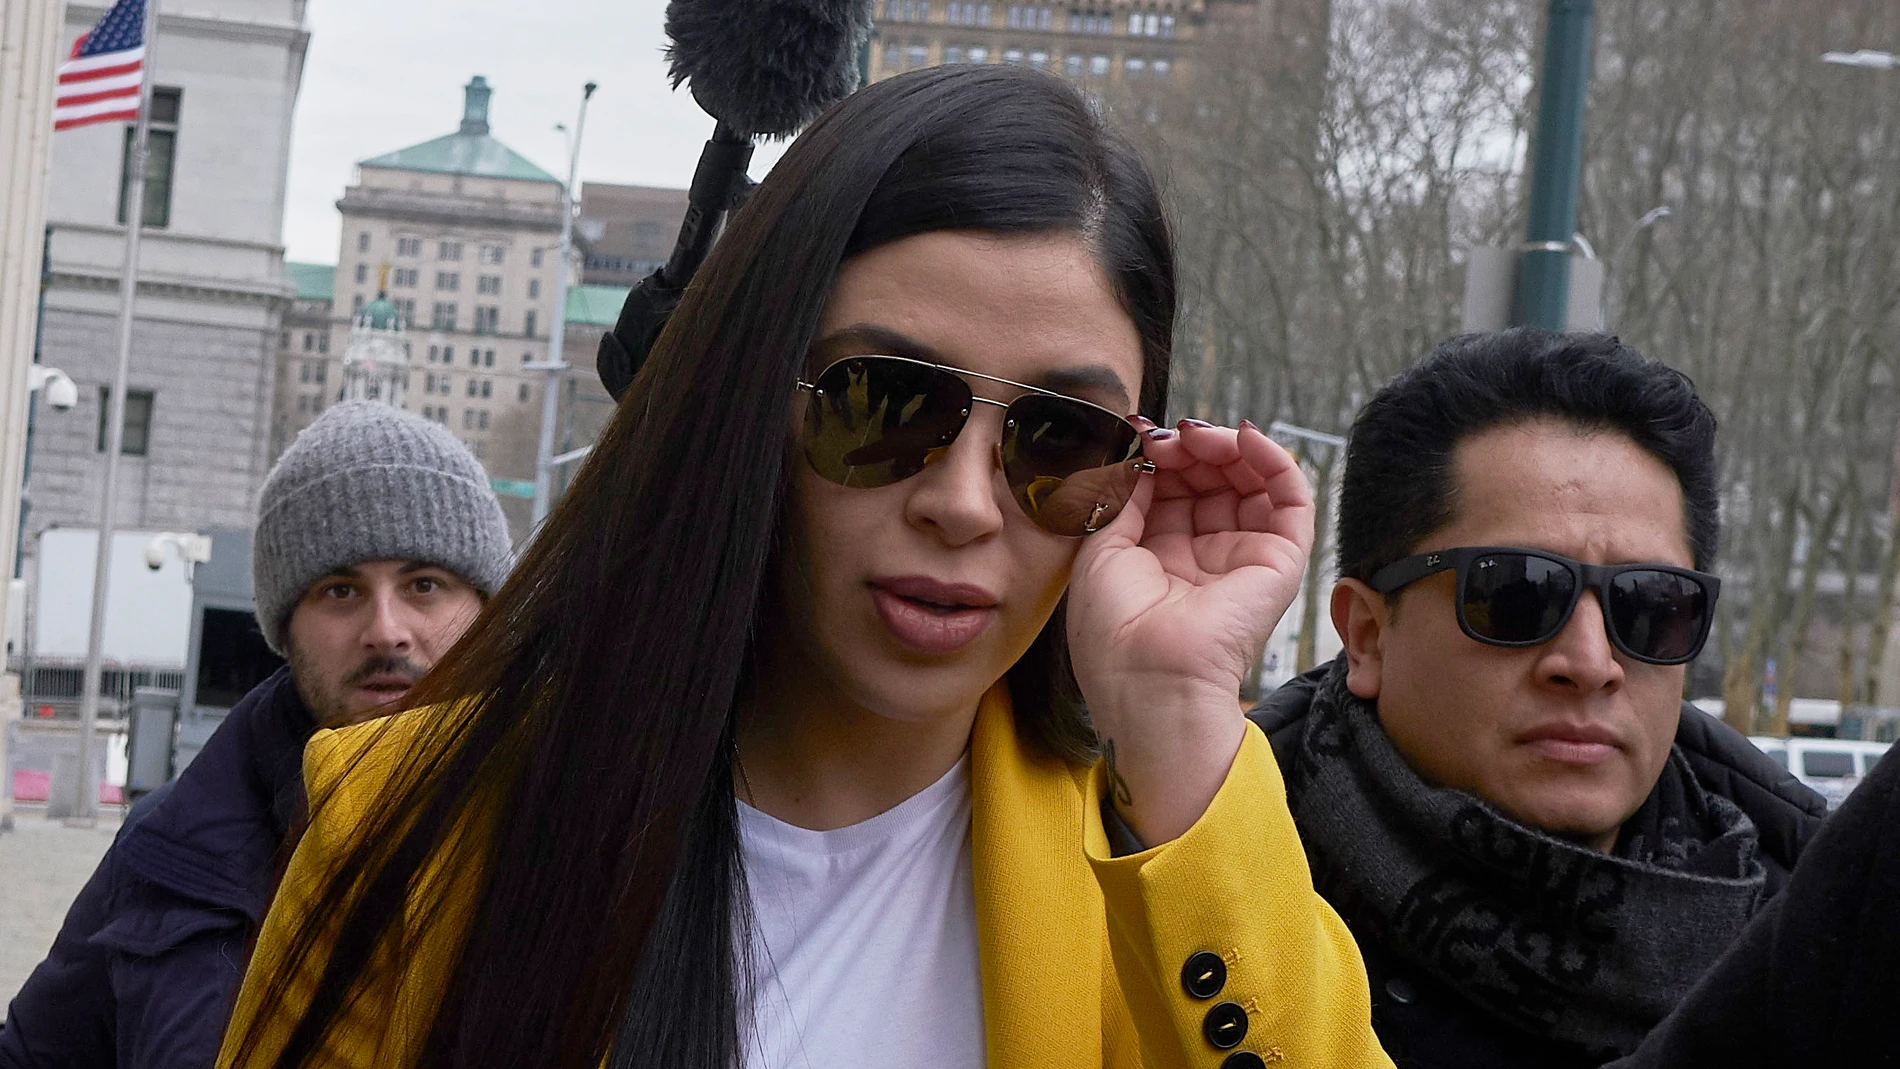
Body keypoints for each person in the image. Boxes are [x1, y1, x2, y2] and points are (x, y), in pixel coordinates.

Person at [216, 66, 1391, 1069]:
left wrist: (1176, 718)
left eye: (1058, 438)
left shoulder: (1176, 888)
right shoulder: (407, 829)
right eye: (882, 402)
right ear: (749, 406)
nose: (961, 503)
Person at [1248, 329, 1827, 1069]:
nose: (1590, 663)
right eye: (1516, 593)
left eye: (1652, 605)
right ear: (1367, 634)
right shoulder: (1194, 897)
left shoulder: (1822, 947)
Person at [0, 402, 511, 1069]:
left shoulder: (559, 828)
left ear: (486, 610)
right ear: (284, 626)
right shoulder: (170, 843)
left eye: (424, 584)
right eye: (341, 591)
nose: (386, 630)